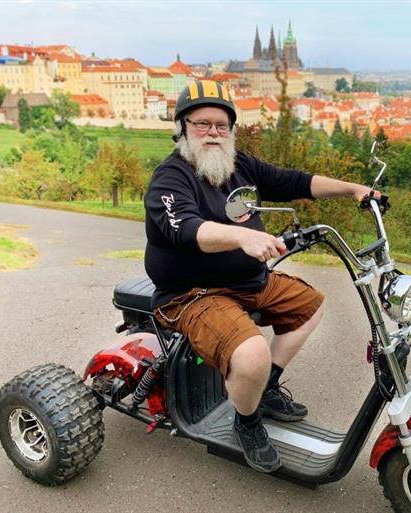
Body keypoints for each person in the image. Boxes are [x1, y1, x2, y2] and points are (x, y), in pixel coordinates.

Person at [144, 80, 374, 473]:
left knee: (310, 306)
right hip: (192, 294)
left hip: (247, 283)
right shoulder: (171, 178)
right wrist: (243, 237)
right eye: (202, 124)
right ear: (183, 128)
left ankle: (263, 391)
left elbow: (295, 182)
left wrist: (354, 189)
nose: (213, 133)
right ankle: (246, 421)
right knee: (252, 354)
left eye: (221, 125)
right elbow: (188, 229)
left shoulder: (242, 166)